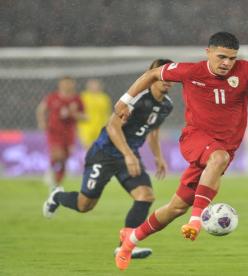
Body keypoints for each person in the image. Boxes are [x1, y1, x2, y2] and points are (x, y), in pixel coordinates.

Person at [113, 31, 248, 270]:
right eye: (222, 56)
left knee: (175, 208)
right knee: (218, 158)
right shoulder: (190, 71)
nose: (227, 63)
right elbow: (153, 73)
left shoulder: (245, 70)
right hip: (195, 139)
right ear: (208, 52)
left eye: (232, 58)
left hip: (222, 150)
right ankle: (196, 221)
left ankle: (129, 242)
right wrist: (126, 100)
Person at [42, 59, 174, 259]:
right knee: (84, 205)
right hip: (104, 153)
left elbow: (153, 130)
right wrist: (129, 155)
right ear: (152, 75)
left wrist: (158, 157)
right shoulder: (137, 98)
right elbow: (113, 127)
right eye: (162, 74)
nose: (166, 80)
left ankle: (125, 246)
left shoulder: (167, 106)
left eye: (170, 76)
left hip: (129, 155)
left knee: (145, 196)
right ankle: (57, 196)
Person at [36, 76, 85, 190]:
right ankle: (50, 170)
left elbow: (85, 117)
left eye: (69, 83)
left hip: (69, 133)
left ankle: (56, 185)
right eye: (65, 83)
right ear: (60, 85)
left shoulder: (77, 99)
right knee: (58, 155)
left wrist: (73, 114)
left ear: (73, 85)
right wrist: (42, 122)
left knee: (64, 160)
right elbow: (41, 109)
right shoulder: (52, 97)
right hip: (54, 131)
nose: (67, 86)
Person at [78, 79, 112, 149]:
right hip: (87, 126)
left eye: (96, 85)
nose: (94, 87)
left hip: (100, 125)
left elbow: (107, 112)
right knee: (88, 147)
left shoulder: (104, 98)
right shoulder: (83, 97)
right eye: (92, 85)